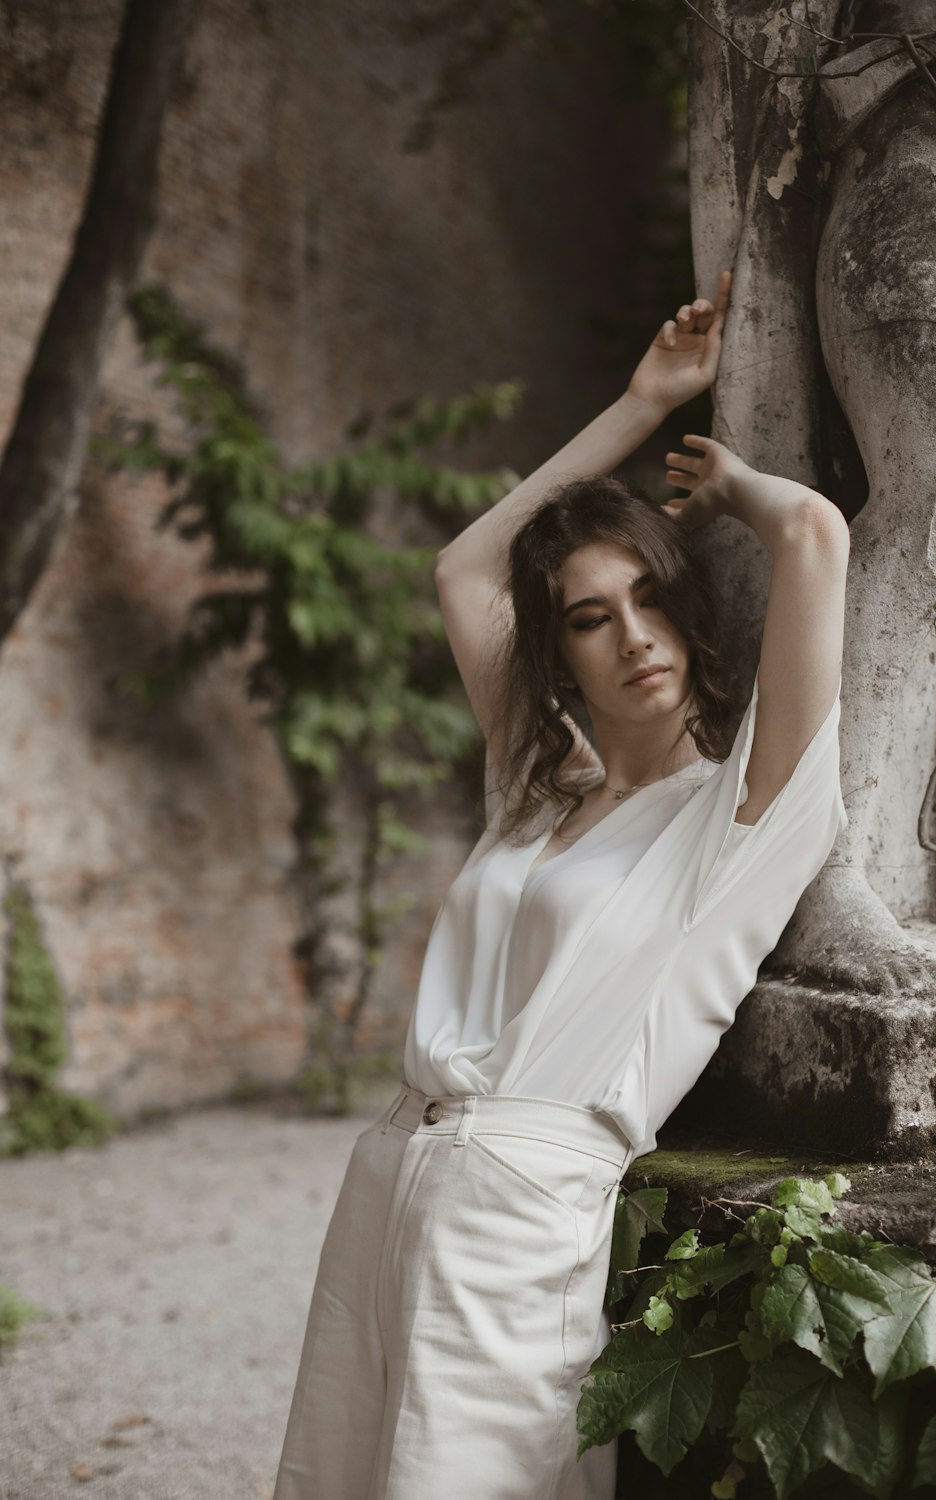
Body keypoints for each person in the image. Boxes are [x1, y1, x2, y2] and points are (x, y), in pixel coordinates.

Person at [272, 271, 850, 1500]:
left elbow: (814, 539)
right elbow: (465, 568)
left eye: (649, 599)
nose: (631, 635)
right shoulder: (540, 786)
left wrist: (731, 488)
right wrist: (641, 400)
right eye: (590, 617)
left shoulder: (735, 822)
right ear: (558, 651)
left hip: (523, 1211)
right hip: (388, 1181)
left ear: (688, 616)